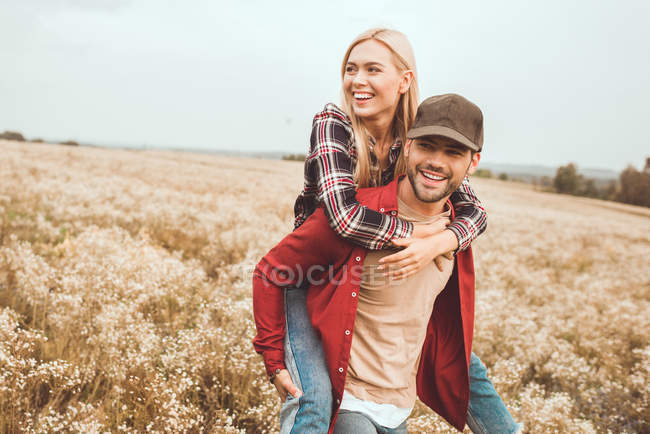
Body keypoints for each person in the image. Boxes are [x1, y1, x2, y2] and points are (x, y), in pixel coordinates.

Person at [259, 28, 520, 433]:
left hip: (375, 277)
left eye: (372, 70)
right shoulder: (335, 122)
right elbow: (344, 218)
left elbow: (474, 211)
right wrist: (414, 238)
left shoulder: (419, 135)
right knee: (315, 401)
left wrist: (440, 239)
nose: (357, 80)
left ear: (404, 80)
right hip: (316, 275)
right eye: (351, 69)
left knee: (459, 357)